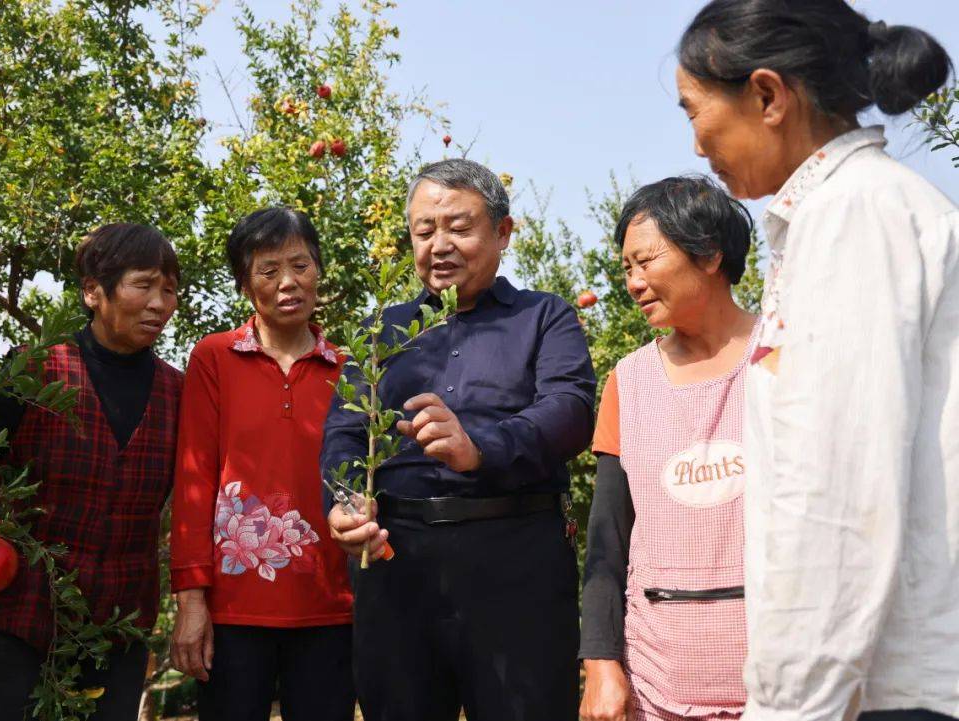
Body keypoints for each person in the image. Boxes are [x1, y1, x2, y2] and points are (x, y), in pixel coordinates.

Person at [675, 2, 959, 719]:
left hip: (884, 686)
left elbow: (837, 489)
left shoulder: (853, 215)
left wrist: (791, 703)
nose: (697, 144)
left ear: (768, 96)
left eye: (694, 111)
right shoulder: (851, 212)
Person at [321, 158, 596, 721]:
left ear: (503, 232)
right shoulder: (381, 333)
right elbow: (345, 432)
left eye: (459, 227)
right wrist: (345, 501)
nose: (439, 245)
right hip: (397, 564)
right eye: (424, 231)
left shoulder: (544, 316)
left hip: (514, 560)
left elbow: (569, 410)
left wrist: (481, 447)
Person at [0, 223, 184, 721]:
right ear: (92, 291)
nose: (160, 304)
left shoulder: (179, 392)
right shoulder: (32, 371)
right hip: (17, 623)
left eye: (169, 290)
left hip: (119, 632)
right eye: (143, 285)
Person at [578, 176, 758, 721]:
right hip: (660, 684)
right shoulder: (629, 382)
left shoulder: (782, 359)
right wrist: (601, 663)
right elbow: (607, 537)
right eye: (626, 268)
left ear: (710, 254)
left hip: (787, 684)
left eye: (646, 261)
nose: (633, 283)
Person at [169, 208, 354, 721]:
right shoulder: (214, 358)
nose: (288, 282)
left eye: (300, 265)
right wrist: (191, 601)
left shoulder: (351, 370)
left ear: (318, 270)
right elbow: (194, 481)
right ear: (245, 285)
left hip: (331, 605)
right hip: (233, 610)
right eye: (268, 271)